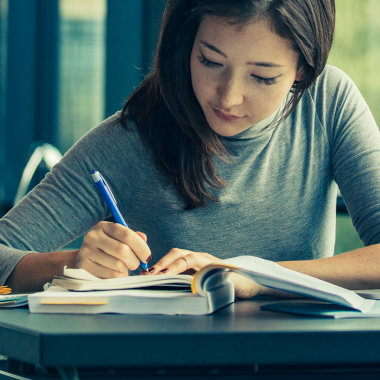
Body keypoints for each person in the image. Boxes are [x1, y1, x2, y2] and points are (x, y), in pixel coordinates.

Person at [1, 0, 380, 298]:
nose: (229, 97)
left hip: (303, 362)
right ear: (186, 43)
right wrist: (75, 264)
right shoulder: (130, 140)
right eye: (210, 61)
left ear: (303, 68)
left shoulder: (328, 102)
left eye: (263, 77)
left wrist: (255, 276)